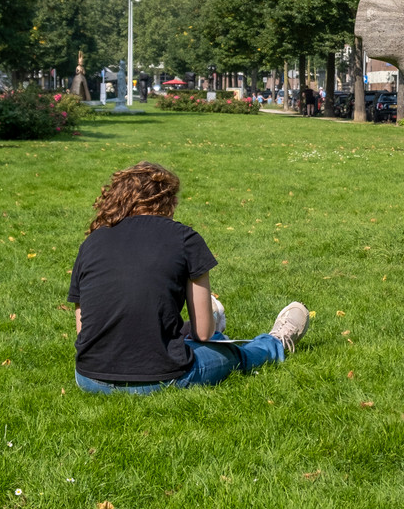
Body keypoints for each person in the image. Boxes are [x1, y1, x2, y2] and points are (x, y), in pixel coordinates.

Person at [68, 161, 309, 393]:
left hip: (89, 377)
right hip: (161, 377)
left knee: (187, 335)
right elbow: (202, 334)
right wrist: (202, 328)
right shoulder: (185, 239)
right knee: (232, 354)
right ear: (169, 202)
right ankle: (275, 342)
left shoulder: (91, 243)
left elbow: (84, 330)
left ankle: (208, 320)